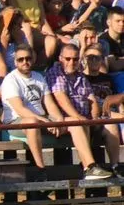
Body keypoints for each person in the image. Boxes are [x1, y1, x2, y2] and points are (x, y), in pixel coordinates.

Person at [0, 44, 111, 180]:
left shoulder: (38, 77)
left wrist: (58, 120)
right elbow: (20, 109)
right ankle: (41, 169)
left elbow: (50, 104)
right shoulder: (11, 80)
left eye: (28, 58)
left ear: (33, 59)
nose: (25, 62)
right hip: (17, 122)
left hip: (42, 120)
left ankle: (89, 167)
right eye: (20, 59)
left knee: (76, 122)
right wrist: (45, 121)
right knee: (32, 122)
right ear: (15, 61)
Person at [45, 43, 121, 175]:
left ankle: (116, 166)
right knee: (78, 123)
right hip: (64, 119)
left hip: (85, 118)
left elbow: (91, 99)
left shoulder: (80, 75)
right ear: (60, 58)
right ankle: (89, 167)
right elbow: (61, 100)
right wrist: (80, 118)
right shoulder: (55, 73)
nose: (71, 62)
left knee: (110, 124)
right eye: (68, 59)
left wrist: (95, 117)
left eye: (75, 59)